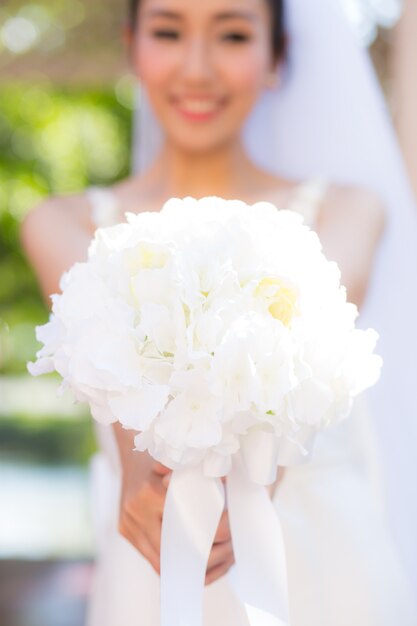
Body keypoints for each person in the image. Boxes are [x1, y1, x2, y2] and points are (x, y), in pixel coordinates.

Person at [21, 0, 417, 624]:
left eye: (232, 34)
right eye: (169, 31)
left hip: (324, 564)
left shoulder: (347, 212)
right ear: (132, 45)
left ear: (275, 58)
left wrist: (250, 488)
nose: (197, 68)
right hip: (151, 559)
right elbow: (113, 376)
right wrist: (145, 485)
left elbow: (302, 345)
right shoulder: (64, 224)